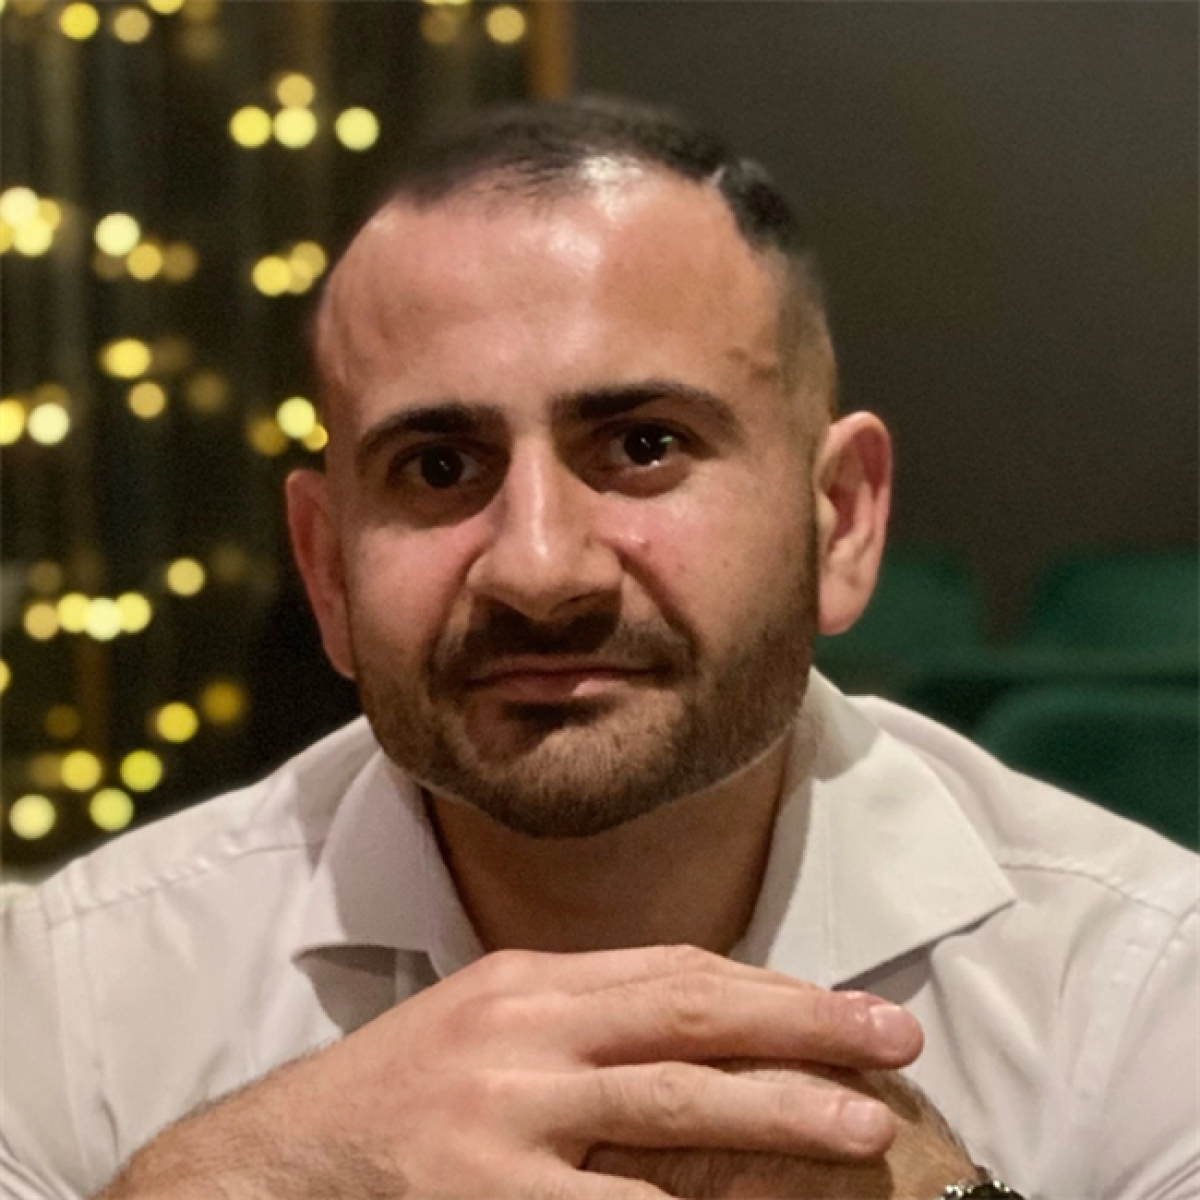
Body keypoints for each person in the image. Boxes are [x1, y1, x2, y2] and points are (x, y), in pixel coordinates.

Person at [2, 96, 1196, 1200]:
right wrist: (241, 1175)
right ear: (326, 571)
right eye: (438, 467)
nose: (538, 570)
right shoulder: (83, 994)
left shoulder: (1141, 988)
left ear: (838, 521)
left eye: (642, 446)